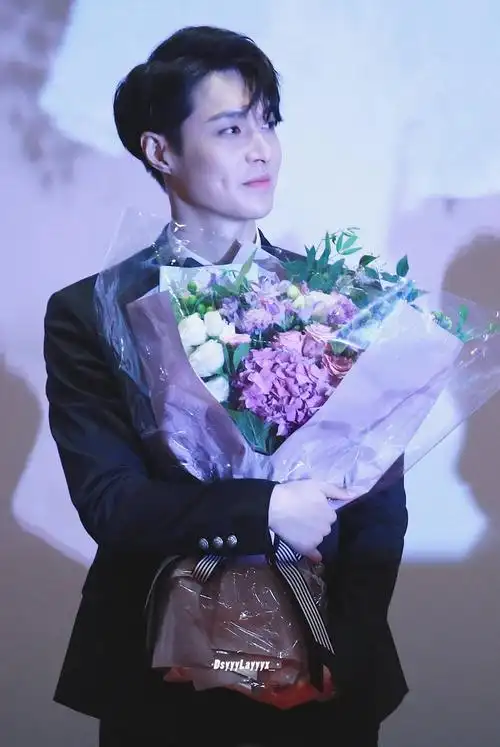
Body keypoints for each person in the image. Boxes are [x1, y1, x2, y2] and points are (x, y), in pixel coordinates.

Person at [43, 25, 408, 747]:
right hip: (163, 672)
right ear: (161, 151)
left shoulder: (337, 300)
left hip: (324, 673)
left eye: (268, 123)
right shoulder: (94, 311)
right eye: (232, 128)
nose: (262, 148)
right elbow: (113, 502)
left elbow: (379, 504)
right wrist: (265, 509)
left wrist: (339, 642)